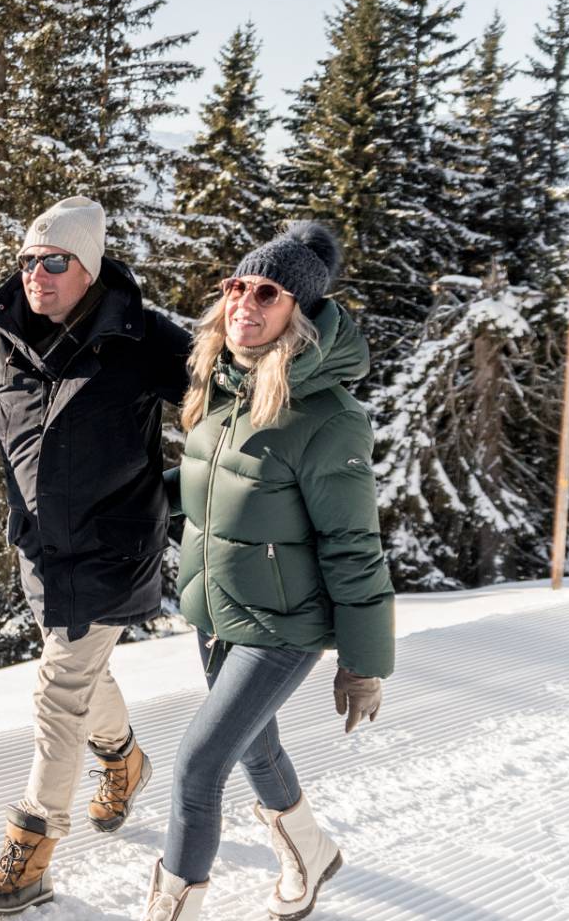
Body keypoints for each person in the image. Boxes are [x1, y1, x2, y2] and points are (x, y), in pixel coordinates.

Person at [0, 195, 190, 916]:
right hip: (44, 552)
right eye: (27, 261)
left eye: (55, 262)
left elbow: (223, 398)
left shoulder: (139, 338)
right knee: (79, 665)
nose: (36, 274)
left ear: (90, 269)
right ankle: (125, 760)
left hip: (115, 548)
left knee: (58, 692)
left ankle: (33, 850)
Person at [140, 221, 394, 921]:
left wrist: (364, 661)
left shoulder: (327, 417)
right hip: (218, 609)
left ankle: (173, 909)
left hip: (283, 627)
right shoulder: (227, 387)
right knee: (254, 745)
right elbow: (215, 488)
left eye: (268, 292)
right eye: (236, 287)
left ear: (300, 314)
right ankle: (310, 851)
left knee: (197, 766)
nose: (244, 303)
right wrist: (124, 502)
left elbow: (354, 544)